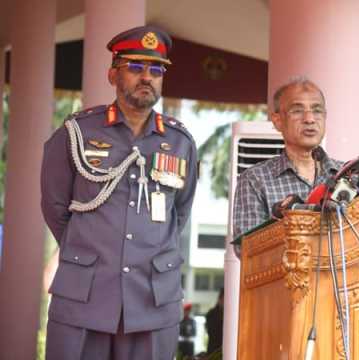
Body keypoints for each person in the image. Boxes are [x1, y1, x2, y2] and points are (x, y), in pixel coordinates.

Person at [41, 25, 198, 360]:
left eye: (156, 70)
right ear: (113, 75)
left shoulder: (180, 142)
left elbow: (179, 213)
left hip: (152, 299)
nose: (147, 77)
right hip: (85, 295)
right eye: (136, 67)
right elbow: (55, 206)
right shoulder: (77, 133)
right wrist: (92, 244)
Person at [232, 77, 342, 238]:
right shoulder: (255, 179)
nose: (310, 119)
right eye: (297, 111)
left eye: (317, 110)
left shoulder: (347, 175)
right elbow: (247, 250)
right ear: (277, 121)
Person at [205, 288, 224, 355]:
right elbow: (211, 332)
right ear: (220, 299)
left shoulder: (229, 314)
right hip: (214, 350)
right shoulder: (211, 314)